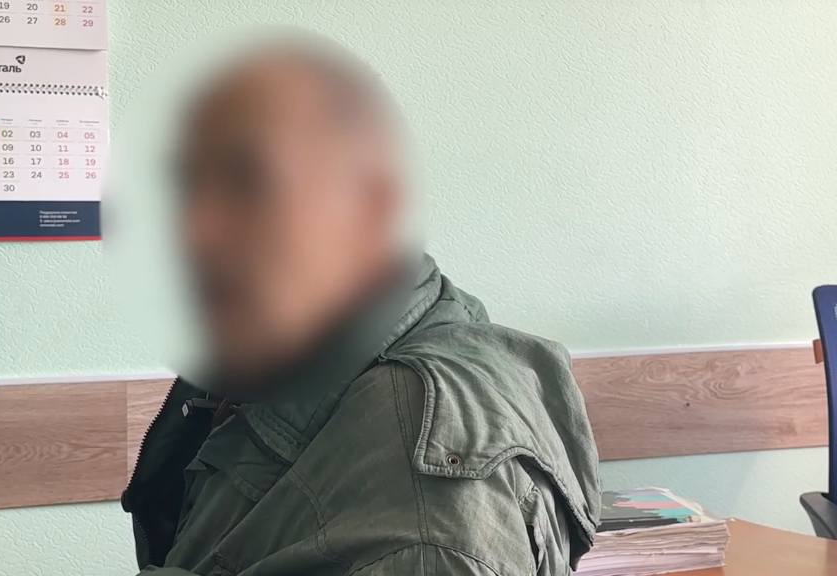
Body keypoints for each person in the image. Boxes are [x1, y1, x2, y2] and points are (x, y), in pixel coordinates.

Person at [120, 30, 601, 576]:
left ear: (372, 204)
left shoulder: (424, 519)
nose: (194, 232)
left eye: (248, 182)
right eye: (185, 186)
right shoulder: (271, 357)